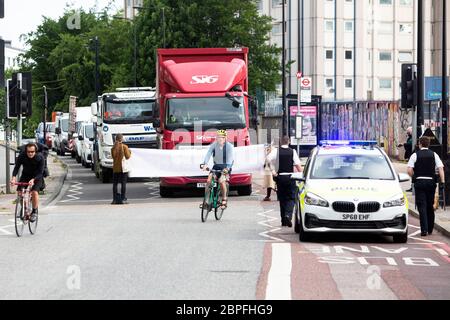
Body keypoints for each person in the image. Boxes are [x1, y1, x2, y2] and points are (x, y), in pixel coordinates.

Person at [407, 136, 445, 236]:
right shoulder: (434, 154)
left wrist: (414, 177)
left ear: (420, 144)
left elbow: (409, 170)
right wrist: (442, 182)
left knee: (422, 206)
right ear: (428, 144)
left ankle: (424, 230)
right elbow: (441, 168)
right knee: (430, 205)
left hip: (419, 182)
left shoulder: (415, 155)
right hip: (431, 183)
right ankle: (430, 228)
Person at [267, 136, 303, 227]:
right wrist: (303, 174)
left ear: (280, 142)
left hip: (280, 178)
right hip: (290, 177)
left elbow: (267, 159)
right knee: (291, 198)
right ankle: (288, 215)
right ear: (289, 142)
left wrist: (273, 171)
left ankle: (283, 220)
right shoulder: (293, 151)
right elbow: (298, 166)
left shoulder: (276, 151)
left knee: (282, 199)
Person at [10, 143, 45, 222]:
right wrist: (13, 178)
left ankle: (34, 211)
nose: (30, 153)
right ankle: (24, 207)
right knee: (20, 193)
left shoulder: (40, 157)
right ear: (26, 151)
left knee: (34, 192)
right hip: (25, 176)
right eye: (28, 152)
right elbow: (16, 167)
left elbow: (40, 172)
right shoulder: (22, 156)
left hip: (37, 177)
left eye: (32, 152)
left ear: (35, 151)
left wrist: (33, 180)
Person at [200, 130, 234, 209]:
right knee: (209, 181)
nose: (219, 139)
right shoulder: (214, 145)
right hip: (216, 166)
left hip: (226, 167)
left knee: (221, 181)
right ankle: (207, 201)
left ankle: (224, 199)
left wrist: (227, 168)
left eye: (221, 137)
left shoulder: (229, 146)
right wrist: (205, 164)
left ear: (225, 138)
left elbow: (230, 159)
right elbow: (208, 154)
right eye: (218, 137)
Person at [111, 134, 131, 205]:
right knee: (123, 184)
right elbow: (128, 157)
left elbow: (113, 157)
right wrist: (130, 151)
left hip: (116, 168)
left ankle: (114, 199)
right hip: (123, 168)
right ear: (121, 139)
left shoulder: (113, 148)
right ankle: (123, 198)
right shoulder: (125, 147)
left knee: (115, 184)